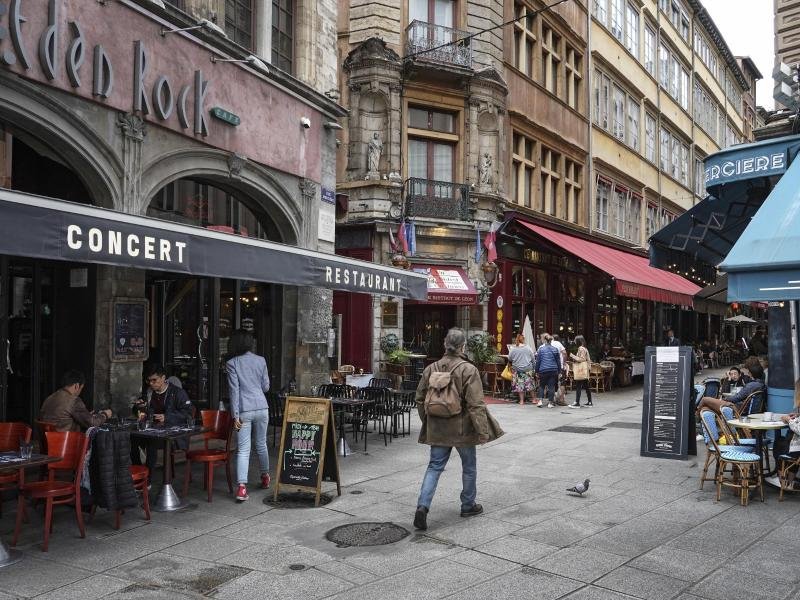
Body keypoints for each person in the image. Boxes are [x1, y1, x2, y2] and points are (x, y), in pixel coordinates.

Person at [413, 328, 504, 531]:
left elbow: (419, 398)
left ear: (445, 344)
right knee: (469, 466)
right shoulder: (468, 369)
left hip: (437, 428)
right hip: (462, 428)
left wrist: (427, 421)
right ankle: (468, 505)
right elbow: (476, 404)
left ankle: (422, 506)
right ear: (463, 346)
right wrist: (482, 431)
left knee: (434, 467)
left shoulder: (431, 368)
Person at [227, 328, 271, 502]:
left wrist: (235, 415)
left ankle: (242, 488)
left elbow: (234, 391)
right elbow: (266, 386)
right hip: (262, 407)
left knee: (244, 449)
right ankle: (265, 476)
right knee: (261, 444)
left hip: (244, 409)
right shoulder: (261, 360)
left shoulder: (232, 363)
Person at [131, 364, 194, 472]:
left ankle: (148, 480)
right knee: (132, 439)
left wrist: (167, 417)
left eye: (154, 380)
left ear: (163, 378)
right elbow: (138, 412)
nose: (151, 383)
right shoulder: (149, 392)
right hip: (152, 430)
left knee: (152, 442)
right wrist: (138, 407)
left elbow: (187, 414)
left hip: (173, 434)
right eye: (148, 381)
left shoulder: (177, 393)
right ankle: (140, 473)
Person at [39, 370, 112, 432]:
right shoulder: (74, 400)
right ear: (77, 386)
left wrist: (86, 415)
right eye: (81, 388)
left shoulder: (49, 398)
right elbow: (93, 423)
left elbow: (62, 418)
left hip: (48, 443)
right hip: (66, 443)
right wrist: (105, 414)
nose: (80, 392)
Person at [697, 363, 765, 413]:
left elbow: (737, 397)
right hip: (741, 406)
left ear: (751, 373)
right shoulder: (760, 384)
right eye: (731, 374)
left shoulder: (751, 385)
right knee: (705, 408)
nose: (748, 373)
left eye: (749, 372)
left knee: (704, 399)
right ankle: (702, 423)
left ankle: (696, 420)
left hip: (737, 407)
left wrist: (724, 399)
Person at [508, 334, 536, 405]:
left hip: (517, 370)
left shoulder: (513, 348)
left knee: (520, 385)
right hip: (527, 369)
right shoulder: (528, 347)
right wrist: (534, 367)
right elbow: (533, 359)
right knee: (530, 384)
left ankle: (521, 401)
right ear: (523, 340)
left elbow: (509, 358)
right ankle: (533, 400)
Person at [535, 333, 561, 409]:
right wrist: (559, 372)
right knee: (551, 386)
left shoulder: (541, 349)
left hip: (543, 370)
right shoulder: (555, 349)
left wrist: (536, 371)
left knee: (542, 385)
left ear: (545, 340)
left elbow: (538, 361)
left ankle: (540, 401)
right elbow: (558, 362)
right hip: (553, 370)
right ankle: (550, 403)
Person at [569, 336, 593, 408]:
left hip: (581, 369)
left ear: (578, 341)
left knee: (579, 385)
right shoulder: (584, 348)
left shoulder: (581, 348)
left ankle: (577, 403)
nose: (574, 341)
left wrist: (573, 356)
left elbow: (582, 359)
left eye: (575, 340)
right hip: (585, 369)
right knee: (586, 386)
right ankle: (589, 402)